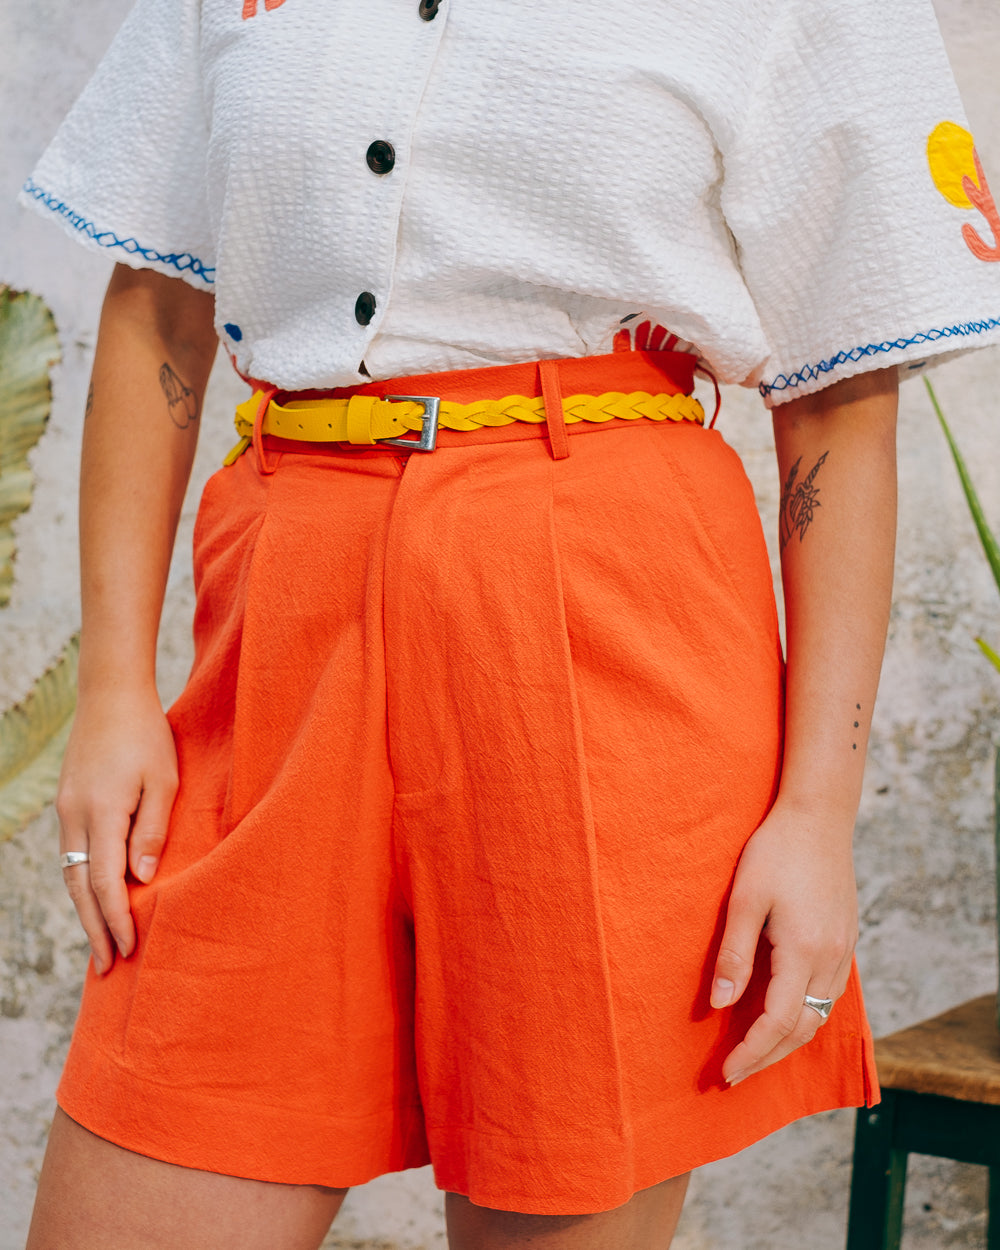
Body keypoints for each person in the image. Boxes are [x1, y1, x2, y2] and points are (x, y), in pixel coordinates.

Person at [18, 0, 1000, 1246]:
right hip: (279, 618)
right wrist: (113, 689)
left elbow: (841, 403)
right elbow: (158, 296)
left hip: (604, 621)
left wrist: (815, 811)